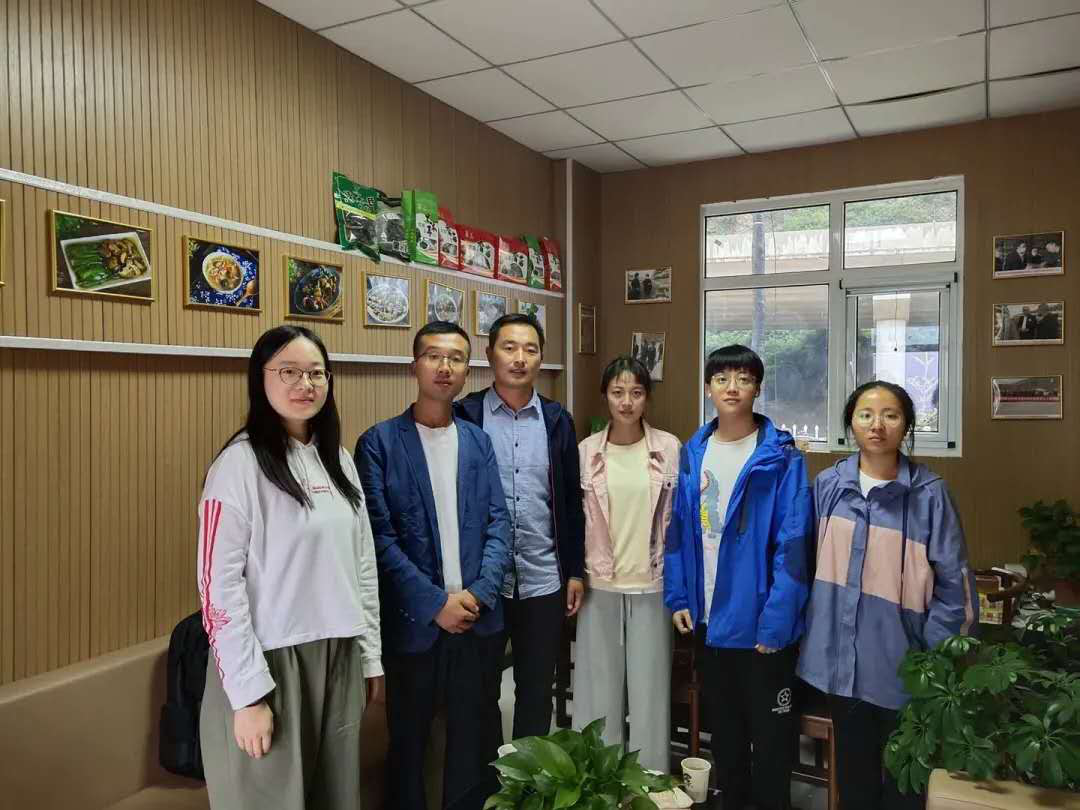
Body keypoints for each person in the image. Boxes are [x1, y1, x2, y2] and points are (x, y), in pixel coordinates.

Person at [197, 325, 382, 810]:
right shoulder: (238, 466)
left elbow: (363, 565)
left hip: (339, 655)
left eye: (317, 373)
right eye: (289, 372)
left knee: (336, 798)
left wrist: (370, 657)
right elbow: (218, 589)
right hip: (269, 665)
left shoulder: (338, 460)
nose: (306, 384)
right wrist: (247, 697)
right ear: (260, 379)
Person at [797, 381, 978, 810]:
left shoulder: (929, 495)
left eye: (890, 415)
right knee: (854, 781)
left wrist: (933, 661)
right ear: (851, 424)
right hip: (840, 665)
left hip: (905, 668)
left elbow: (954, 586)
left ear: (906, 425)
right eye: (865, 415)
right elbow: (803, 562)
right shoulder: (828, 486)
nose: (877, 425)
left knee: (905, 786)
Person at [356, 321, 511, 810]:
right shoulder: (379, 443)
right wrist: (435, 604)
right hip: (415, 625)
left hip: (475, 619)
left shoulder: (478, 442)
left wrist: (478, 593)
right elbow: (379, 540)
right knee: (409, 745)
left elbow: (499, 524)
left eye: (456, 358)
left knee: (472, 741)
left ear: (467, 370)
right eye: (434, 356)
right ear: (414, 366)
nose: (445, 367)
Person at [665, 344, 813, 810]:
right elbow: (678, 532)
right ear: (708, 387)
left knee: (771, 742)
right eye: (722, 378)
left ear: (757, 388)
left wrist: (777, 622)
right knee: (725, 737)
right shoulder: (694, 451)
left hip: (762, 628)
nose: (732, 388)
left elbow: (794, 545)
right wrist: (679, 596)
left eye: (743, 379)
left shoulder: (781, 457)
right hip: (710, 623)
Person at [454, 313, 586, 741]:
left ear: (541, 358)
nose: (519, 358)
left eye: (530, 349)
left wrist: (574, 570)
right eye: (509, 347)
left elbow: (571, 502)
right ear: (490, 354)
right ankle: (489, 774)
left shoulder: (556, 420)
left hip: (542, 578)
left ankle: (529, 775)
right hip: (482, 581)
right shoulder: (466, 415)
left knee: (536, 689)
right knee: (480, 691)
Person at [572, 355, 680, 772]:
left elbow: (681, 519)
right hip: (600, 584)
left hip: (653, 584)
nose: (627, 402)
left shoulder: (668, 449)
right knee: (597, 693)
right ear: (605, 396)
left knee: (650, 693)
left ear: (647, 397)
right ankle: (598, 782)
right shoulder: (586, 452)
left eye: (636, 392)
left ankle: (649, 781)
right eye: (618, 392)